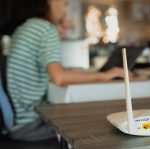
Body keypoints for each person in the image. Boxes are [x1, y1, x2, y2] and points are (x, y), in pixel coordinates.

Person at [7, 0, 131, 141]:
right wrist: (104, 75)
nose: (65, 11)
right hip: (30, 123)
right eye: (65, 3)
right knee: (100, 123)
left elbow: (53, 73)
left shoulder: (25, 27)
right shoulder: (45, 29)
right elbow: (59, 77)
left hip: (20, 120)